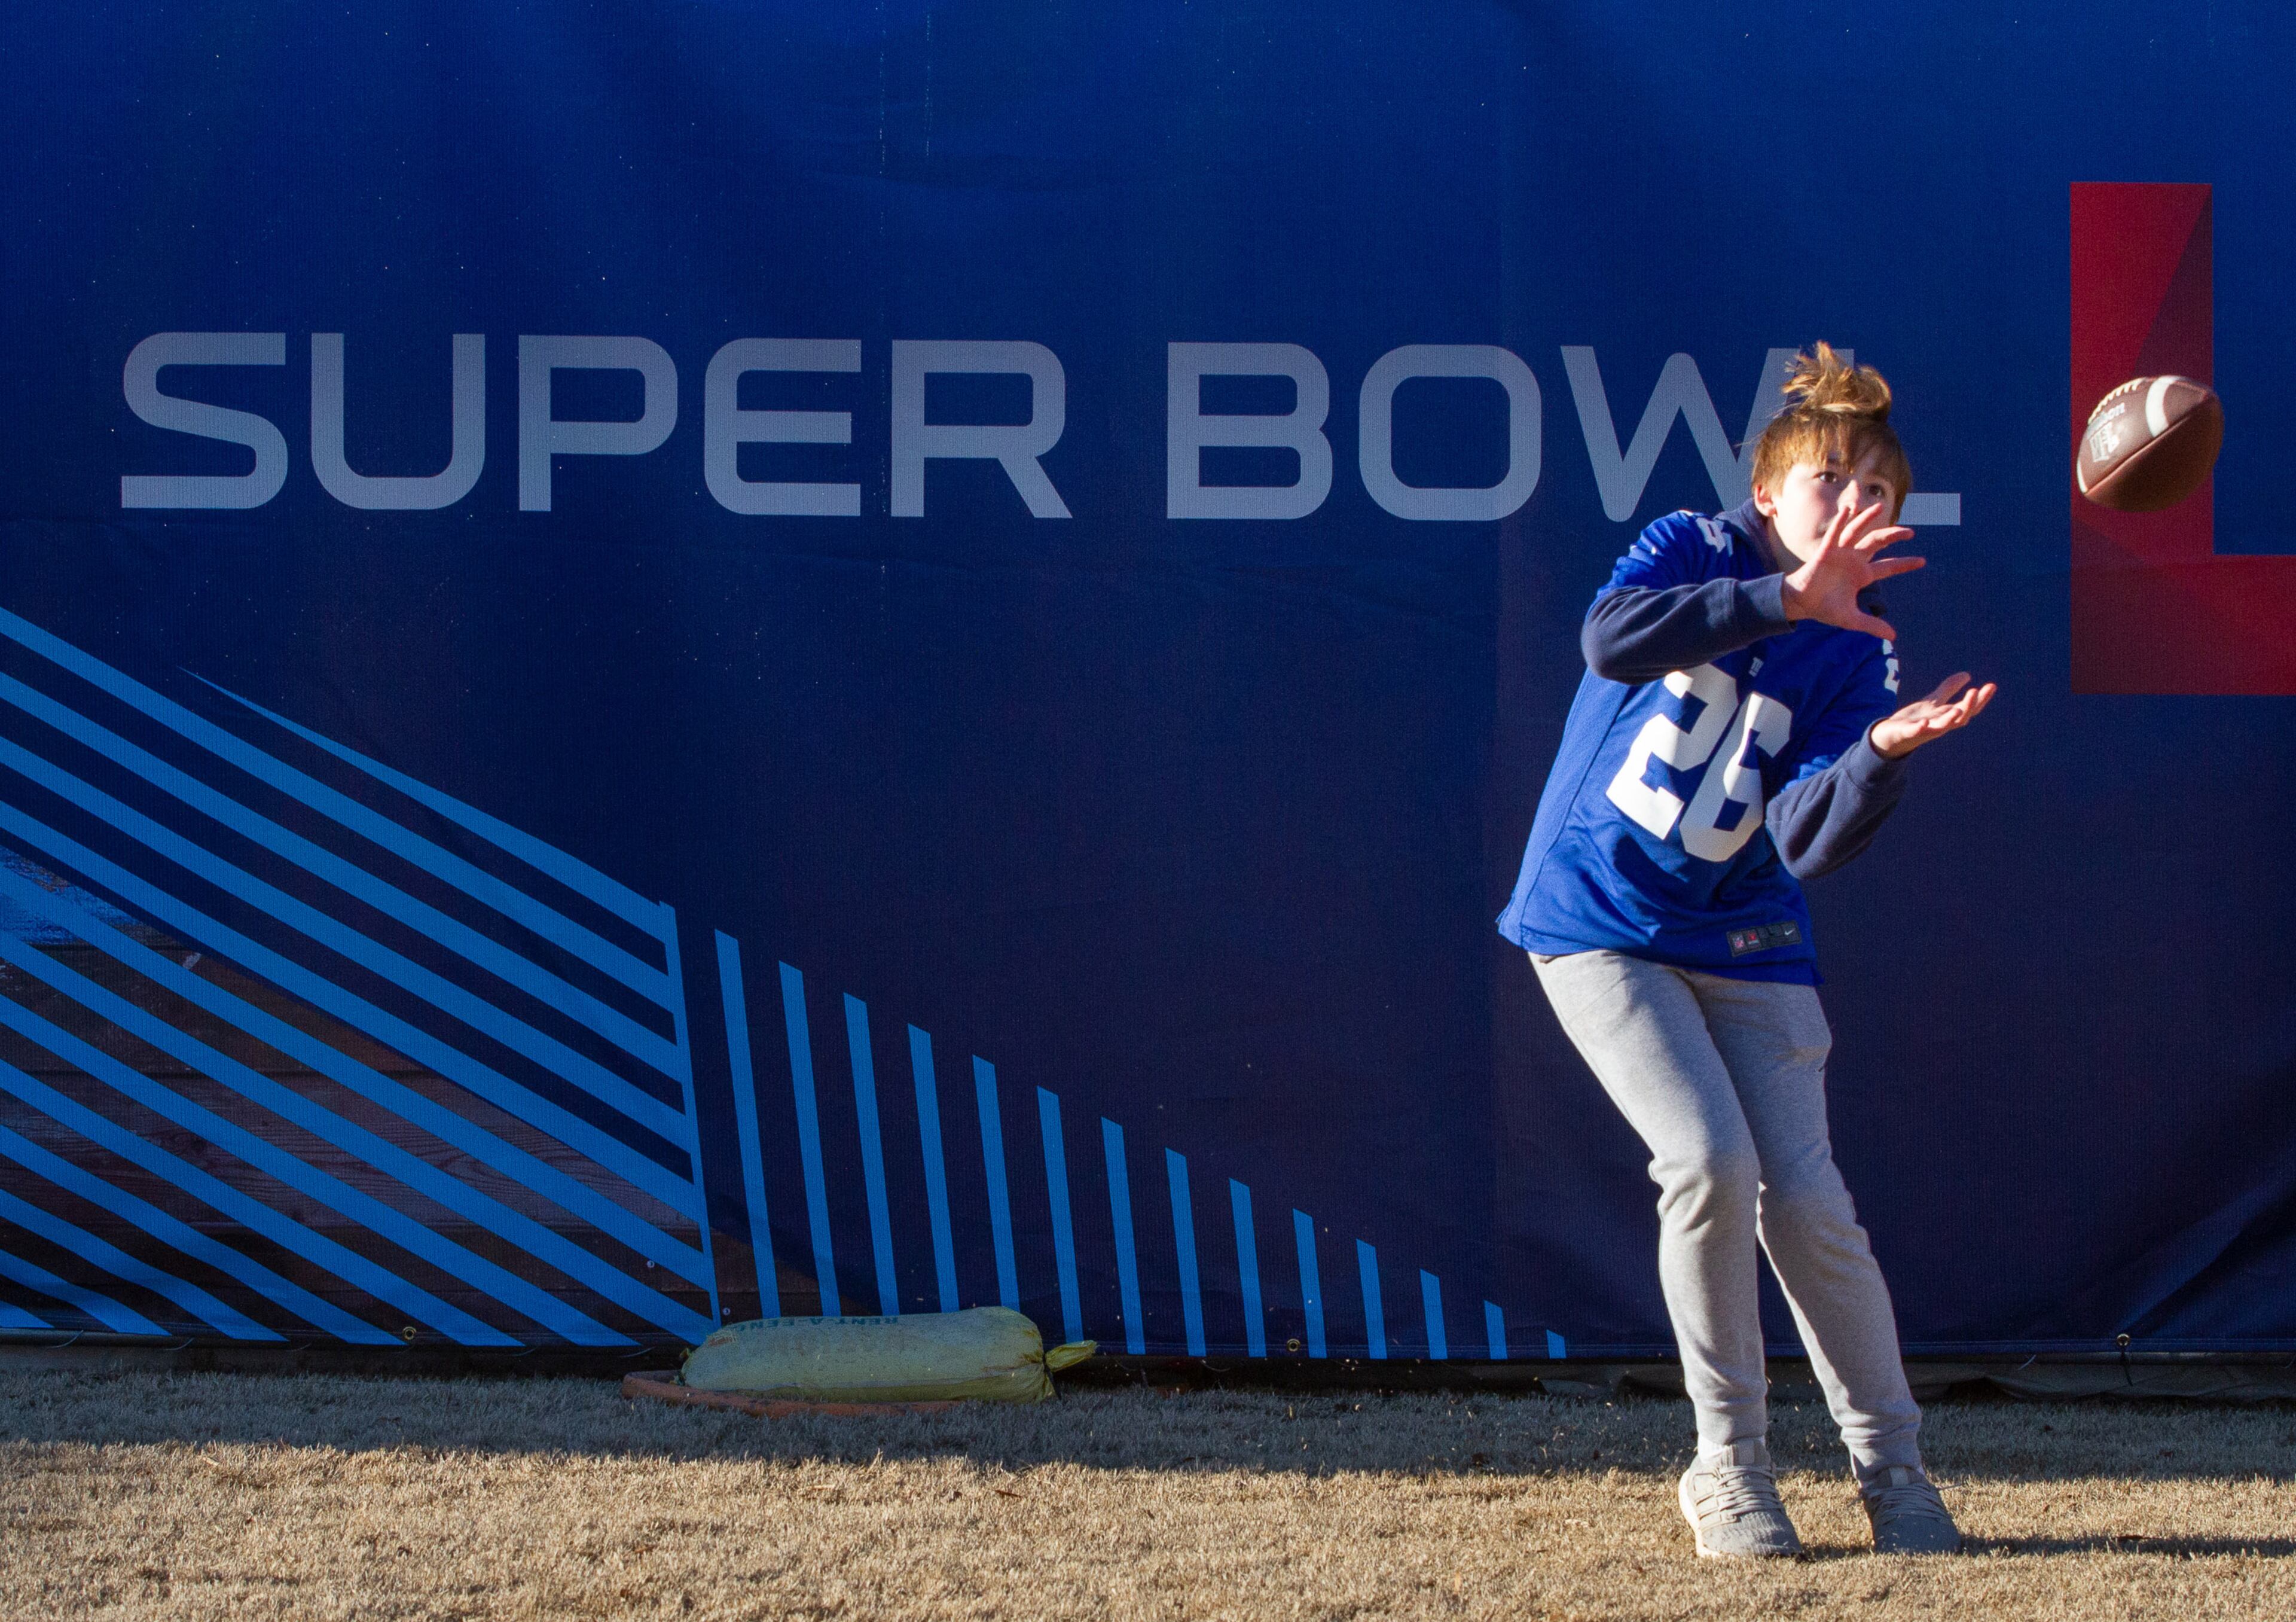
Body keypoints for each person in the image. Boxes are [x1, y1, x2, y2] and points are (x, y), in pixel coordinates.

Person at [1497, 344, 1994, 1558]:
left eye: (1880, 493)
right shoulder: (1692, 546)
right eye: (1834, 482)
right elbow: (1612, 641)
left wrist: (1878, 754)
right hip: (1601, 921)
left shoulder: (1860, 651)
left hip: (1750, 939)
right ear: (1769, 494)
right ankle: (1731, 1473)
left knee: (1810, 1206)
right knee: (1708, 1164)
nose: (1856, 509)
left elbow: (1805, 841)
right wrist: (1781, 600)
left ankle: (1897, 1478)